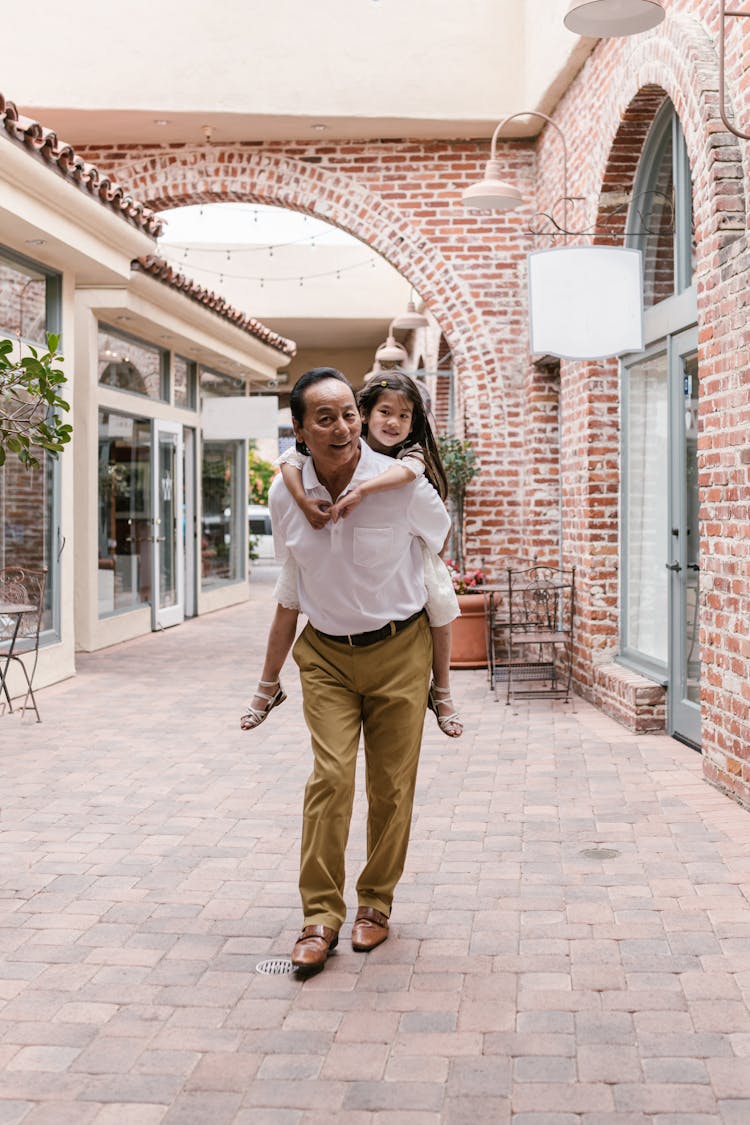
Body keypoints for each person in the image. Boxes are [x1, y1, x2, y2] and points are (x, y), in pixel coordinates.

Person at [262, 367, 450, 975]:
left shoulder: (400, 485)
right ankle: (320, 914)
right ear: (300, 429)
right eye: (326, 418)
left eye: (348, 414)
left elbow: (437, 544)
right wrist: (268, 682)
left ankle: (375, 904)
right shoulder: (281, 493)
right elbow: (290, 584)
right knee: (331, 778)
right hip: (324, 656)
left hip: (400, 648)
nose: (343, 427)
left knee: (391, 786)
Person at [241, 370, 462, 737]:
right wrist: (303, 501)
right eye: (384, 412)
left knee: (440, 604)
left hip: (406, 581)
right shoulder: (297, 474)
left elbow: (434, 528)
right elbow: (288, 461)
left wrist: (362, 492)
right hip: (326, 630)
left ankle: (442, 690)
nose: (393, 423)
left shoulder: (409, 465)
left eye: (404, 416)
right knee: (287, 597)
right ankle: (268, 683)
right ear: (366, 412)